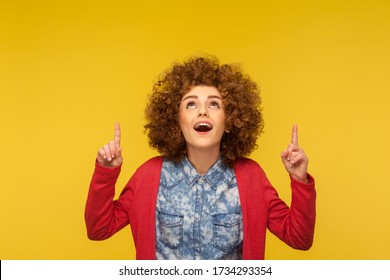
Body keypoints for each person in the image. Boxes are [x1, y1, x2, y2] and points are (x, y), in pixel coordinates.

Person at [85, 56, 316, 260]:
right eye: (191, 104)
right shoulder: (148, 176)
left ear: (230, 120)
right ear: (177, 120)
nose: (202, 111)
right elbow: (99, 229)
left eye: (214, 104)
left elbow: (298, 238)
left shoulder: (251, 177)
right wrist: (106, 173)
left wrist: (300, 180)